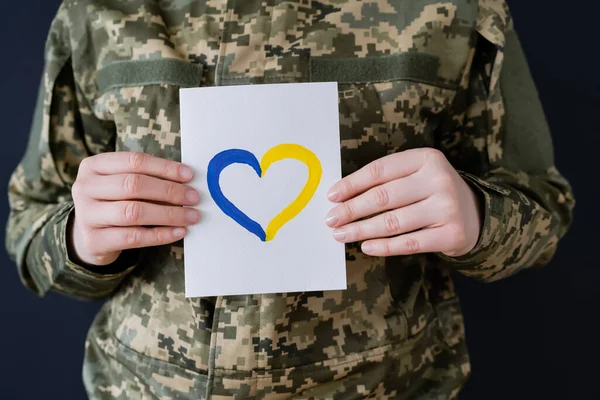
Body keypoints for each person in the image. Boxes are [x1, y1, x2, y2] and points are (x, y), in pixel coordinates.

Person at [6, 0, 574, 398]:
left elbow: (543, 206)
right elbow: (29, 223)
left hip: (389, 386)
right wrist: (79, 239)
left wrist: (477, 217)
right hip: (141, 388)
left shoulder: (457, 6)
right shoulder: (95, 11)